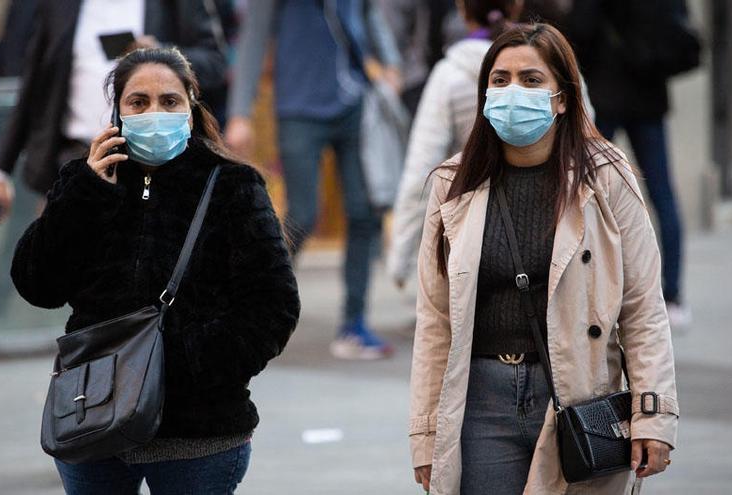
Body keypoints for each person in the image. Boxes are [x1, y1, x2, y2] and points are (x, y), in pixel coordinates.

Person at [11, 47, 299, 494]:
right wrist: (87, 194)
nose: (154, 112)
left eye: (169, 101)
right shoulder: (84, 181)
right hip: (93, 422)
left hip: (200, 432)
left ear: (191, 107)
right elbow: (36, 283)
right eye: (138, 102)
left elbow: (273, 306)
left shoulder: (232, 185)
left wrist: (185, 363)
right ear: (118, 112)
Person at [409, 24, 678, 494]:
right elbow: (435, 322)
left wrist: (653, 415)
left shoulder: (607, 177)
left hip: (579, 396)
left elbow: (642, 308)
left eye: (531, 80)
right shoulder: (452, 184)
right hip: (480, 402)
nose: (513, 91)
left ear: (562, 98)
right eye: (500, 79)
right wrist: (426, 432)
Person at [225, 0, 401, 360]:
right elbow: (254, 38)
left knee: (364, 212)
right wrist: (240, 112)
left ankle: (354, 324)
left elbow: (368, 14)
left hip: (356, 102)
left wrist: (391, 62)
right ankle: (256, 311)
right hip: (299, 109)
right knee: (302, 217)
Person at [0, 0, 226, 227]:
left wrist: (161, 55)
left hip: (154, 165)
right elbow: (34, 82)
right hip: (74, 161)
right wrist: (0, 171)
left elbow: (215, 63)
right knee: (58, 263)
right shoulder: (59, 5)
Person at [564, 0, 695, 330]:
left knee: (582, 186)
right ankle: (674, 295)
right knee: (662, 193)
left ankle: (584, 286)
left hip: (606, 95)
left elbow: (580, 31)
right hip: (649, 96)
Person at [387, 0, 523, 288]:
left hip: (471, 229)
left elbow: (421, 169)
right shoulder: (549, 65)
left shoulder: (449, 75)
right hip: (542, 218)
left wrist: (401, 258)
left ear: (462, 11)